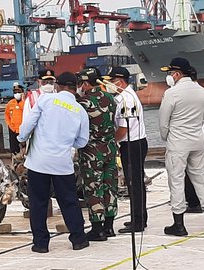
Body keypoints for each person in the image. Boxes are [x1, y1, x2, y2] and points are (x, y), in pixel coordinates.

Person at [17, 72, 90, 253]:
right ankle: (78, 239)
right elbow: (82, 141)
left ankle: (41, 243)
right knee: (69, 201)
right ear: (75, 87)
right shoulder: (80, 110)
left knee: (38, 203)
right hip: (62, 164)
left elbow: (28, 124)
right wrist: (64, 143)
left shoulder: (45, 100)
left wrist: (21, 137)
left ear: (58, 85)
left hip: (38, 162)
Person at [159, 58, 204, 237]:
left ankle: (179, 225)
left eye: (171, 73)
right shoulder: (202, 92)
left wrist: (167, 137)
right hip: (197, 140)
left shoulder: (172, 93)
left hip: (178, 141)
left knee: (177, 180)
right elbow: (203, 118)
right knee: (201, 179)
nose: (170, 76)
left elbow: (163, 122)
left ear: (178, 74)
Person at [102, 67, 149, 233]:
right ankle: (139, 217)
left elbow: (123, 128)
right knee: (135, 183)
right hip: (135, 143)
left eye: (111, 81)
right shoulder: (127, 95)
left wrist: (111, 141)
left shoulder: (125, 99)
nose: (109, 85)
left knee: (134, 184)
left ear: (119, 82)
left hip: (132, 144)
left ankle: (138, 221)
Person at [76, 67, 118, 241]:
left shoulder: (84, 103)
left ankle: (97, 228)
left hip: (91, 151)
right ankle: (109, 227)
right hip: (109, 148)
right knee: (110, 186)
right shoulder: (110, 99)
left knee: (94, 188)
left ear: (85, 83)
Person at [184, 66, 204, 214]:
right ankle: (202, 201)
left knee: (191, 173)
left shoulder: (193, 93)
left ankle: (195, 202)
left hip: (193, 139)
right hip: (201, 139)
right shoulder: (203, 91)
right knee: (201, 172)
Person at [5, 83, 25, 155]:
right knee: (14, 150)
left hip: (23, 130)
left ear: (22, 92)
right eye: (15, 92)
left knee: (25, 149)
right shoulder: (10, 103)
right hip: (13, 129)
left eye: (19, 92)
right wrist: (10, 125)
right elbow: (7, 115)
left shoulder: (26, 103)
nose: (17, 94)